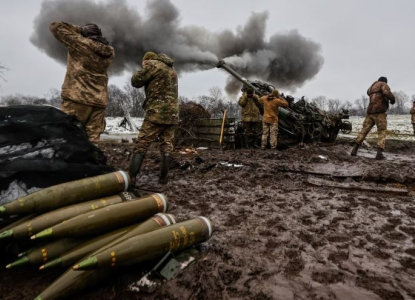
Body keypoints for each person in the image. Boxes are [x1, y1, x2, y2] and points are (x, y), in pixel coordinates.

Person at [49, 22, 115, 146]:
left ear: (86, 34)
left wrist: (79, 29)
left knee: (68, 137)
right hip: (99, 101)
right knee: (92, 141)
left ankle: (70, 164)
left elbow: (55, 26)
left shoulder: (81, 44)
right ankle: (91, 164)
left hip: (78, 98)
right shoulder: (109, 52)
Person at [129, 52, 179, 185]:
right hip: (172, 114)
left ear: (147, 60)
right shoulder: (171, 69)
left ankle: (131, 178)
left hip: (156, 113)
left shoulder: (153, 65)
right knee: (166, 147)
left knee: (141, 145)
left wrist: (145, 66)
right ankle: (164, 179)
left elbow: (135, 81)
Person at [351, 77, 395, 159]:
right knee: (382, 132)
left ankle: (354, 150)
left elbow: (368, 92)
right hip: (380, 112)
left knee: (364, 131)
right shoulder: (383, 84)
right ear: (385, 81)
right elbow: (386, 92)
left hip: (370, 112)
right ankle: (379, 154)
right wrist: (393, 99)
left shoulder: (372, 86)